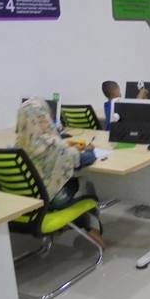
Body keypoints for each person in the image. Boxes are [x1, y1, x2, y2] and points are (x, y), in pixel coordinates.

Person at [16, 96, 107, 249]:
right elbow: (83, 159)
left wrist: (67, 149)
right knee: (85, 182)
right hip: (52, 199)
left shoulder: (19, 144)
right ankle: (93, 227)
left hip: (29, 198)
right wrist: (89, 149)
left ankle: (63, 227)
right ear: (44, 118)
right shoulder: (53, 144)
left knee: (72, 188)